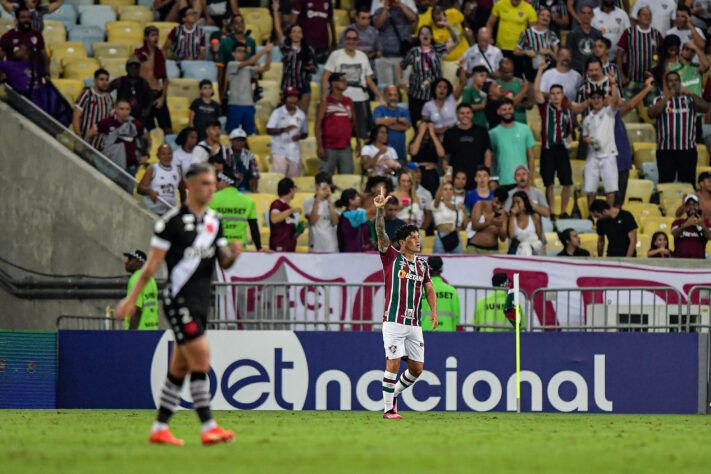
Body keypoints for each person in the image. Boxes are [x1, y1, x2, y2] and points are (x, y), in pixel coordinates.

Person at [116, 162, 241, 446]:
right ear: (191, 185)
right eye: (206, 184)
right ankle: (208, 426)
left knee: (180, 368)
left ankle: (160, 427)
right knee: (202, 357)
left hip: (200, 302)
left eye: (213, 184)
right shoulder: (170, 223)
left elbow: (222, 261)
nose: (211, 189)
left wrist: (233, 254)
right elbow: (150, 268)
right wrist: (132, 299)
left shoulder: (215, 221)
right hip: (177, 299)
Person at [373, 186, 438, 419]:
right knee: (393, 364)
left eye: (418, 236)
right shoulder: (391, 257)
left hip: (414, 323)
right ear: (401, 242)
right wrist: (379, 211)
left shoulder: (422, 265)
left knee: (416, 369)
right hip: (393, 321)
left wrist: (434, 311)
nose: (417, 239)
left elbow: (429, 288)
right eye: (411, 237)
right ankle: (389, 409)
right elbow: (381, 233)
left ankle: (394, 394)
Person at [647, 70, 710, 185]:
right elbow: (651, 114)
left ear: (680, 82)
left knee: (688, 184)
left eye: (676, 80)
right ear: (666, 84)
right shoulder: (659, 100)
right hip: (665, 151)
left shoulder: (690, 100)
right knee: (665, 184)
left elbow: (705, 108)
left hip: (687, 150)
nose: (674, 83)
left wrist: (688, 92)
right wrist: (667, 97)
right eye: (670, 81)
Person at [323, 27, 386, 139]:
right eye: (348, 39)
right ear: (344, 40)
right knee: (341, 132)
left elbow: (369, 81)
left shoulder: (362, 56)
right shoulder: (336, 55)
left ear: (358, 41)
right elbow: (325, 77)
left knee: (361, 133)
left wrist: (380, 96)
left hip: (360, 99)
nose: (351, 41)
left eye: (354, 39)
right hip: (340, 99)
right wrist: (324, 96)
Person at [533, 61, 574, 217]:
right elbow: (536, 90)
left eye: (558, 93)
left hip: (562, 150)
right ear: (550, 95)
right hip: (548, 150)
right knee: (549, 183)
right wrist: (541, 70)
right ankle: (551, 211)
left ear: (562, 95)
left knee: (567, 183)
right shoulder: (545, 108)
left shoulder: (566, 112)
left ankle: (563, 211)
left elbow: (569, 131)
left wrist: (569, 138)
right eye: (553, 93)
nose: (556, 96)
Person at [397, 25, 451, 126]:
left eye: (427, 33)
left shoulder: (438, 49)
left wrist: (448, 26)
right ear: (419, 37)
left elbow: (456, 41)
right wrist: (400, 82)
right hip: (416, 95)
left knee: (434, 123)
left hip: (433, 96)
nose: (425, 35)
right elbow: (401, 65)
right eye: (422, 33)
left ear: (431, 36)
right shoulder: (414, 52)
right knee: (416, 123)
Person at [580, 82, 621, 207]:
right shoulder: (587, 119)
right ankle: (592, 214)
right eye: (594, 98)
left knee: (610, 188)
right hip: (592, 156)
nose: (596, 100)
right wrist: (586, 140)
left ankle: (608, 212)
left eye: (599, 98)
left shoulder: (609, 112)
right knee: (590, 188)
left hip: (608, 155)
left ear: (603, 100)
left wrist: (613, 83)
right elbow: (584, 136)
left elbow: (615, 100)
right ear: (590, 100)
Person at [272, 0, 317, 113]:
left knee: (301, 118)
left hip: (304, 88)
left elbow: (315, 69)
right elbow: (278, 29)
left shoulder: (309, 50)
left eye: (299, 32)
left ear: (302, 35)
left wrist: (311, 68)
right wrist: (275, 11)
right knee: (288, 117)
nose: (296, 34)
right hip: (289, 87)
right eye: (294, 32)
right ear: (290, 34)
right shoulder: (286, 47)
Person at [225, 41, 273, 135]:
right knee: (232, 133)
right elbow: (250, 61)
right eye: (239, 51)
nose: (242, 53)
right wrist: (264, 50)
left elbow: (266, 68)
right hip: (235, 104)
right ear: (233, 53)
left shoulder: (248, 68)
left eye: (244, 51)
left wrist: (269, 53)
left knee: (249, 133)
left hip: (248, 104)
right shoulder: (231, 64)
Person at [92, 99, 150, 175]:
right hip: (109, 165)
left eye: (127, 109)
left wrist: (146, 155)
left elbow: (149, 140)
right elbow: (89, 134)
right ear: (116, 109)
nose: (124, 112)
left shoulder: (136, 124)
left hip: (130, 167)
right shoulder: (106, 122)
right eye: (121, 109)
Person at [208, 168, 262, 250]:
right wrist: (259, 248)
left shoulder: (211, 199)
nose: (216, 184)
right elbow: (253, 227)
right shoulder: (248, 201)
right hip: (240, 250)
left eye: (218, 181)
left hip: (218, 250)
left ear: (225, 182)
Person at [315, 73, 358, 175]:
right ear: (333, 83)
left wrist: (358, 141)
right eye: (342, 80)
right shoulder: (326, 101)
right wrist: (319, 146)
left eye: (345, 80)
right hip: (329, 147)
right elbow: (318, 125)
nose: (345, 83)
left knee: (347, 178)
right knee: (325, 178)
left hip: (346, 147)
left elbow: (354, 123)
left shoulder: (348, 101)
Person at [442, 103, 492, 191]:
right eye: (462, 113)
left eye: (468, 113)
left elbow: (487, 153)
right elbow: (446, 157)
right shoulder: (449, 133)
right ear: (457, 115)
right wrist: (449, 175)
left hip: (477, 176)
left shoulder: (481, 131)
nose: (465, 116)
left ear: (472, 114)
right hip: (457, 178)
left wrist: (486, 173)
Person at [616, 6, 662, 100]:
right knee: (627, 108)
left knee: (650, 110)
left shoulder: (656, 34)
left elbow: (662, 54)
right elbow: (619, 54)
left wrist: (657, 62)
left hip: (650, 81)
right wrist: (621, 74)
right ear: (638, 17)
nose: (647, 17)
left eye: (649, 15)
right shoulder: (629, 32)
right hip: (632, 80)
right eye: (644, 14)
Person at [488, 98, 535, 189]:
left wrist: (530, 178)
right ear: (498, 111)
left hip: (522, 181)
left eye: (510, 109)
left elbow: (531, 156)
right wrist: (493, 179)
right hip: (502, 181)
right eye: (504, 109)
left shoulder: (525, 129)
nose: (507, 112)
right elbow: (491, 159)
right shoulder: (493, 133)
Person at [135, 26, 172, 134]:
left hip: (157, 94)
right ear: (146, 38)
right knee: (146, 128)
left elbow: (165, 79)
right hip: (144, 95)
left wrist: (162, 97)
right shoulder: (138, 55)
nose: (156, 38)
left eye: (157, 35)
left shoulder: (160, 55)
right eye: (152, 35)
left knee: (167, 128)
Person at [372, 0, 419, 86]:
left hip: (403, 57)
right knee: (387, 88)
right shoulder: (380, 11)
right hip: (386, 57)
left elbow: (413, 18)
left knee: (404, 88)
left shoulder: (404, 10)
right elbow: (377, 25)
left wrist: (400, 3)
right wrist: (386, 9)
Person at [486, 0, 538, 76]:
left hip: (518, 50)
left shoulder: (529, 8)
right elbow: (490, 23)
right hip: (500, 48)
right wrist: (489, 37)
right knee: (499, 75)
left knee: (516, 76)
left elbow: (533, 31)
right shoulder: (500, 4)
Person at [266, 87, 308, 178]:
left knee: (293, 181)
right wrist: (284, 129)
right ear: (285, 99)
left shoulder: (301, 114)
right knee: (279, 179)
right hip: (279, 151)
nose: (293, 100)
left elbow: (305, 133)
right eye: (290, 97)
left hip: (294, 152)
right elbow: (269, 129)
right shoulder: (277, 112)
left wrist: (299, 136)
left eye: (295, 97)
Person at [513, 5, 559, 81]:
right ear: (538, 17)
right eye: (543, 15)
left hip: (547, 70)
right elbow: (515, 51)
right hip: (530, 69)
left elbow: (557, 58)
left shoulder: (552, 35)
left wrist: (550, 52)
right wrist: (526, 52)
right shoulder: (526, 33)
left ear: (550, 19)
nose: (545, 17)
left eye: (548, 16)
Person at [138, 144, 185, 215]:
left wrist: (184, 208)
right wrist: (150, 191)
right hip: (152, 211)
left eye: (169, 153)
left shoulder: (177, 170)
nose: (167, 157)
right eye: (163, 154)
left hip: (168, 213)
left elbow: (182, 190)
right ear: (158, 156)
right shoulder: (153, 169)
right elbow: (140, 188)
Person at [0, 6, 48, 75]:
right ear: (17, 20)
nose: (27, 20)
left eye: (29, 17)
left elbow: (45, 57)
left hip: (34, 76)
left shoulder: (37, 35)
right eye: (23, 17)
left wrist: (47, 73)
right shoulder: (8, 36)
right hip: (14, 78)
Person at [73, 68, 113, 150]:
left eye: (107, 80)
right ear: (95, 80)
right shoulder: (87, 94)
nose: (105, 82)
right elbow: (76, 117)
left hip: (102, 145)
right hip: (85, 143)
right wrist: (79, 138)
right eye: (101, 79)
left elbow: (111, 119)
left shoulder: (109, 98)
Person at [338, 6, 382, 80]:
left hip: (370, 73)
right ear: (356, 18)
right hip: (350, 72)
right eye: (363, 18)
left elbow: (380, 52)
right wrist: (358, 54)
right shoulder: (348, 31)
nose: (366, 21)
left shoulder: (374, 32)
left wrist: (367, 55)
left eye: (368, 18)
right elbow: (341, 50)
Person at [121, 249, 159, 330]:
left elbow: (136, 310)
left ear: (139, 263)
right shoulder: (151, 280)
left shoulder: (135, 279)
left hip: (140, 331)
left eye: (130, 259)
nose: (126, 262)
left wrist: (131, 335)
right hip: (153, 329)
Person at [108, 57, 152, 125]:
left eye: (136, 68)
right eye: (131, 67)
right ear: (126, 68)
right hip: (122, 117)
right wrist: (112, 107)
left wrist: (147, 109)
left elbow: (150, 96)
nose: (133, 70)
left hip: (139, 118)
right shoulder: (119, 81)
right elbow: (106, 92)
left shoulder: (143, 82)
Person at [373, 85, 411, 161]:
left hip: (400, 155)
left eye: (395, 95)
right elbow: (377, 122)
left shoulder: (404, 111)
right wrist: (397, 119)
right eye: (390, 95)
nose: (393, 98)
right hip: (382, 156)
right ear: (384, 95)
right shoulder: (379, 110)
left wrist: (385, 124)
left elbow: (405, 127)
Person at [303, 172, 339, 253]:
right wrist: (317, 200)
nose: (325, 188)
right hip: (316, 246)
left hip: (331, 245)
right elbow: (312, 221)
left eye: (328, 186)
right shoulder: (308, 202)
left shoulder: (333, 202)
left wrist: (330, 202)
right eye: (322, 186)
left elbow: (335, 221)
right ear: (316, 185)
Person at [420, 256, 459, 331]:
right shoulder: (452, 291)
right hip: (447, 334)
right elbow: (457, 317)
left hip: (424, 333)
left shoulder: (420, 289)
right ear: (441, 269)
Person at [467, 187, 509, 254]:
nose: (498, 206)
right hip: (475, 248)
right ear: (492, 197)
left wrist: (500, 227)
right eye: (497, 203)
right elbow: (474, 226)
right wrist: (490, 222)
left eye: (502, 204)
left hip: (493, 250)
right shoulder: (480, 205)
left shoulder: (503, 214)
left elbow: (503, 239)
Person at [409, 121, 445, 197]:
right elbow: (414, 152)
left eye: (428, 131)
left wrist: (432, 133)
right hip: (418, 171)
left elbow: (441, 153)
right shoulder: (415, 141)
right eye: (425, 130)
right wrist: (421, 133)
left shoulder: (435, 143)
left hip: (432, 173)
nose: (426, 132)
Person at [431, 179, 466, 254]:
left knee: (458, 263)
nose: (448, 191)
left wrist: (464, 210)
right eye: (445, 189)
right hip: (441, 237)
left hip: (455, 236)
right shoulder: (437, 203)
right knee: (438, 263)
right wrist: (442, 183)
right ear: (441, 191)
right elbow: (437, 198)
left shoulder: (457, 205)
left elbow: (464, 224)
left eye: (450, 189)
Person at [671, 194, 711, 259]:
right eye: (689, 205)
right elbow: (674, 234)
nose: (692, 207)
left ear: (698, 206)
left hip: (699, 263)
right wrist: (685, 225)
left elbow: (710, 237)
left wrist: (702, 225)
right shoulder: (678, 222)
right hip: (679, 262)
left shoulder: (705, 223)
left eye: (694, 204)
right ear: (685, 208)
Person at [566, 4, 602, 75]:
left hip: (593, 70)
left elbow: (600, 53)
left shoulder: (598, 33)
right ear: (579, 14)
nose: (586, 15)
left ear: (592, 15)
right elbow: (568, 53)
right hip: (576, 70)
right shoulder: (572, 33)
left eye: (589, 13)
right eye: (583, 13)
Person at [591, 0, 630, 64]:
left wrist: (620, 56)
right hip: (598, 60)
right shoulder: (593, 14)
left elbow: (628, 36)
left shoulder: (622, 14)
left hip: (619, 60)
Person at [269, 177, 302, 252]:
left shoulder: (288, 208)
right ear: (291, 190)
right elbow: (274, 219)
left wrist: (299, 230)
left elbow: (290, 233)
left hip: (290, 249)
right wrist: (292, 210)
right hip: (279, 248)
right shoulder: (277, 204)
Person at [224, 127, 259, 193]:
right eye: (237, 140)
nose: (239, 143)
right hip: (226, 190)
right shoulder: (224, 153)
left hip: (244, 190)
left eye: (242, 140)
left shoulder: (249, 155)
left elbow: (254, 175)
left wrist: (254, 191)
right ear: (231, 141)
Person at [507, 190, 543, 255]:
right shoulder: (511, 217)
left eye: (518, 202)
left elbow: (539, 237)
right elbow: (511, 236)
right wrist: (512, 216)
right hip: (515, 249)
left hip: (531, 249)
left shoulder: (534, 217)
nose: (515, 205)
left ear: (525, 203)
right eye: (514, 202)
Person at [495, 58, 530, 124]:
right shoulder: (496, 85)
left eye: (511, 71)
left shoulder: (520, 82)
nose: (509, 74)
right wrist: (524, 89)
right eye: (506, 72)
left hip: (520, 122)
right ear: (499, 71)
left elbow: (529, 103)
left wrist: (527, 104)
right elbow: (510, 104)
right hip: (504, 123)